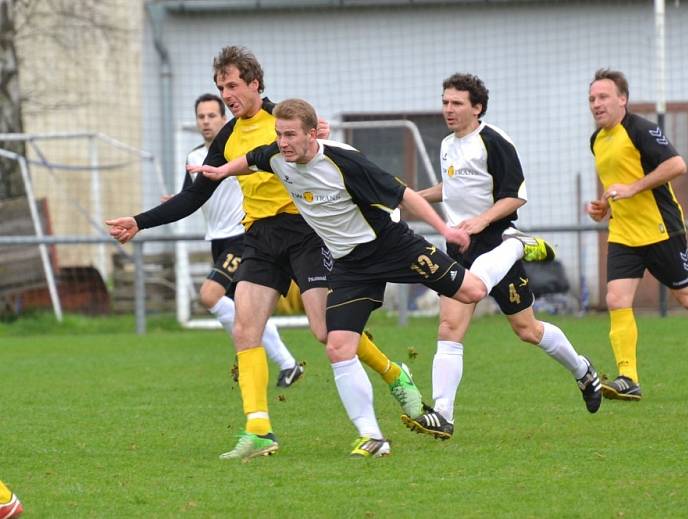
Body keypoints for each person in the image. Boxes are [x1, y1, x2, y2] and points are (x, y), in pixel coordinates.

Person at [191, 97, 563, 457]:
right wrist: (221, 171)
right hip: (351, 266)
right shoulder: (274, 155)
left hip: (392, 246)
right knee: (337, 346)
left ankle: (515, 245)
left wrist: (444, 230)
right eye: (279, 135)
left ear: (312, 135)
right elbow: (250, 159)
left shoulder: (344, 162)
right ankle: (372, 437)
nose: (282, 143)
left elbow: (406, 197)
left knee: (473, 291)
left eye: (290, 135)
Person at [106, 46, 424, 461]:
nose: (227, 95)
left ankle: (395, 375)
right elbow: (193, 197)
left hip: (306, 232)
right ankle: (259, 430)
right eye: (221, 87)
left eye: (233, 85)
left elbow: (329, 161)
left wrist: (320, 137)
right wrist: (139, 221)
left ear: (255, 84)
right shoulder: (228, 135)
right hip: (258, 237)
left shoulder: (284, 122)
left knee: (326, 330)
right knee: (244, 329)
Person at [400, 73, 601, 440]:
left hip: (496, 242)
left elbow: (516, 195)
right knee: (449, 328)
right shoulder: (447, 144)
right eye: (445, 101)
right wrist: (410, 197)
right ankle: (443, 415)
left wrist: (482, 220)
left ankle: (583, 370)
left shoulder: (494, 141)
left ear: (476, 107)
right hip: (458, 246)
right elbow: (454, 187)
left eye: (456, 103)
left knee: (528, 330)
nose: (448, 109)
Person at [586, 68, 688, 401]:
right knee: (616, 300)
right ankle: (628, 377)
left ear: (623, 99)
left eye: (603, 97)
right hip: (623, 233)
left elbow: (677, 165)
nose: (596, 104)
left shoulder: (641, 129)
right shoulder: (597, 140)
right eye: (591, 98)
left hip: (660, 229)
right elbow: (617, 181)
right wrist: (604, 205)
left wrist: (633, 188)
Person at [170, 93, 303, 387]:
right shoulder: (195, 157)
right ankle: (286, 363)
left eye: (212, 116)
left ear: (223, 118)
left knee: (209, 295)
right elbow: (190, 195)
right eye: (201, 117)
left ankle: (251, 349)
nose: (206, 121)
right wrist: (173, 203)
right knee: (243, 311)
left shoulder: (236, 150)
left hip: (241, 238)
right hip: (216, 239)